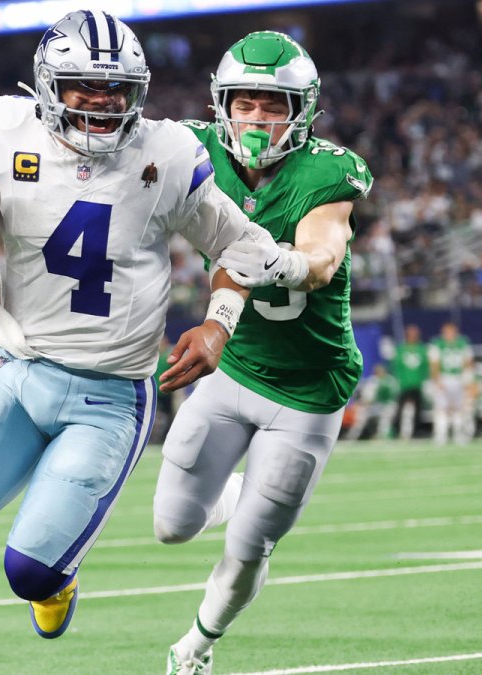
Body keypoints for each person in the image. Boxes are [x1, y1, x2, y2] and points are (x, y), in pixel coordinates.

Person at [0, 11, 284, 674]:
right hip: (14, 371)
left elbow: (243, 245)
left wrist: (218, 323)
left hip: (108, 397)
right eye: (83, 86)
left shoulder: (166, 151)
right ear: (48, 85)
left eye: (116, 88)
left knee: (29, 570)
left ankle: (56, 578)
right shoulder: (1, 128)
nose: (101, 102)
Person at [152, 31, 373, 674]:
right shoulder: (189, 146)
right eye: (244, 103)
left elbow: (323, 257)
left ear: (302, 111)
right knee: (171, 525)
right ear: (222, 103)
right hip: (234, 366)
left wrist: (276, 261)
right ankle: (241, 488)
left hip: (308, 384)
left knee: (249, 546)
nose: (255, 118)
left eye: (272, 105)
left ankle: (195, 647)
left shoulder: (327, 171)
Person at [428, 321, 475, 445]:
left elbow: (468, 362)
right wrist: (437, 380)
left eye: (451, 331)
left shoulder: (463, 343)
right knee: (441, 408)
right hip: (444, 377)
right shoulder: (437, 344)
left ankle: (458, 434)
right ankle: (441, 434)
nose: (449, 334)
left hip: (458, 378)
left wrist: (468, 379)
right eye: (447, 331)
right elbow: (434, 364)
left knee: (459, 408)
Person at [391, 324, 429, 441]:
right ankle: (396, 430)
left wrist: (424, 380)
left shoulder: (421, 349)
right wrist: (399, 380)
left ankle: (416, 431)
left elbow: (425, 367)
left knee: (418, 409)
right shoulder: (401, 349)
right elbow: (396, 367)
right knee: (400, 409)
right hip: (404, 384)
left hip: (417, 383)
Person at [346, 363, 399, 441]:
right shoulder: (372, 380)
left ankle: (383, 437)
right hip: (373, 406)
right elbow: (366, 398)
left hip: (386, 405)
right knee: (361, 416)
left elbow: (393, 396)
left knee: (386, 417)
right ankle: (352, 437)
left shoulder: (390, 381)